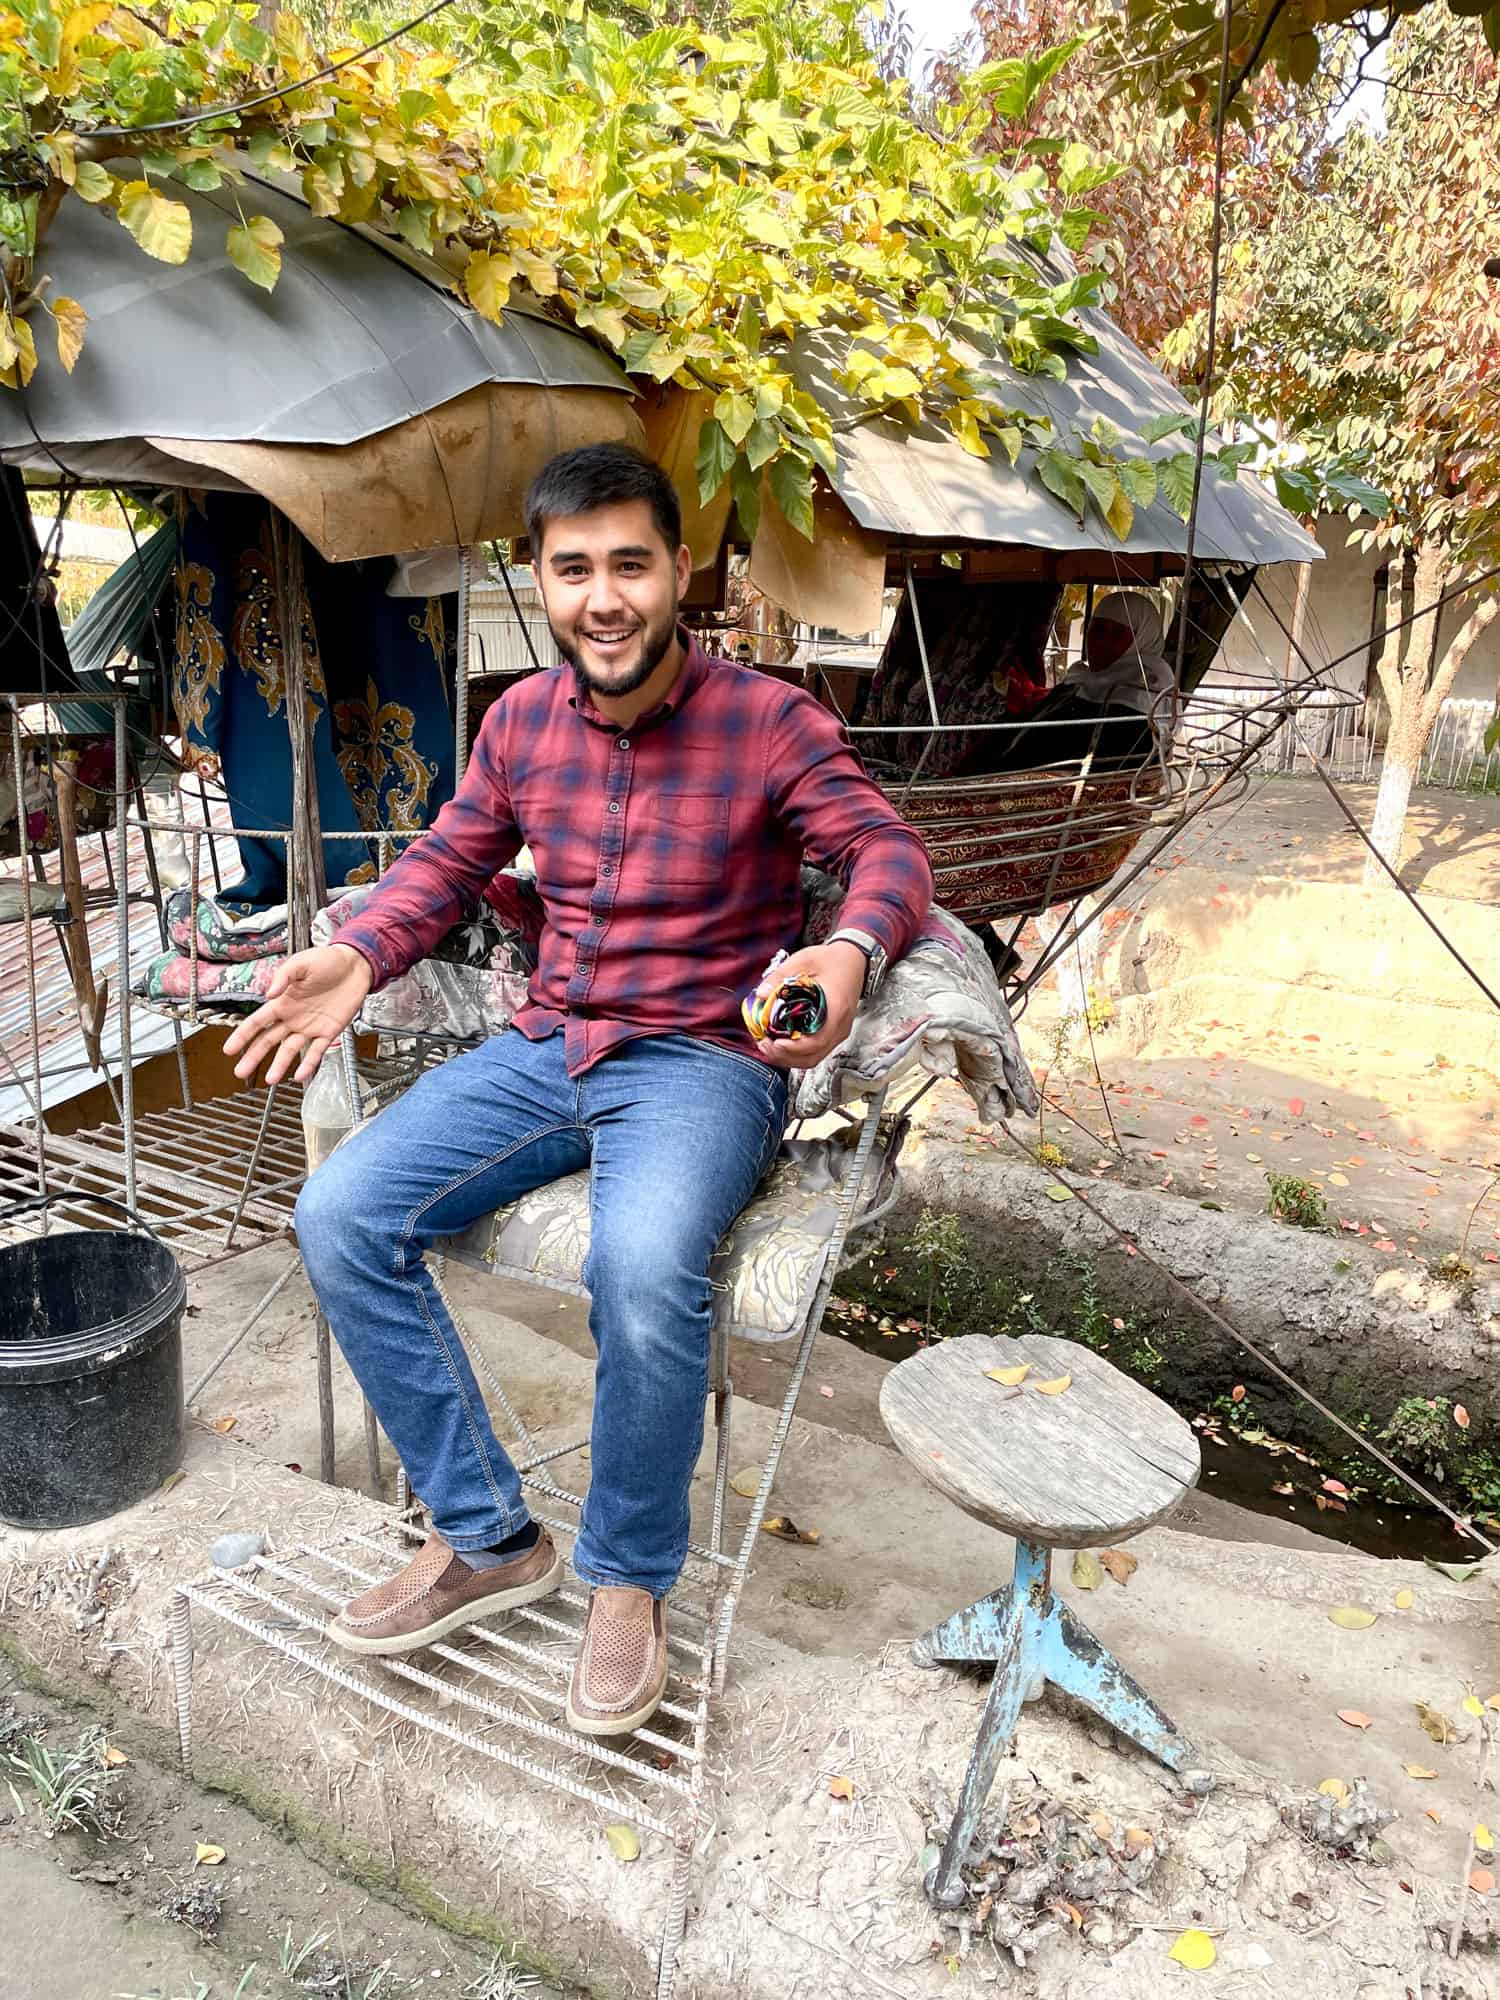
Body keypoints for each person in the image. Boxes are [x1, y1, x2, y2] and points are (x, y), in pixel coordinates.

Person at [223, 443, 933, 1739]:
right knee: (340, 1214)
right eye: (573, 569)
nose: (603, 596)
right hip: (552, 1046)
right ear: (540, 581)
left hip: (704, 1063)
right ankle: (490, 1534)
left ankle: (625, 1578)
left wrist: (847, 947)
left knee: (643, 1263)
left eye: (629, 563)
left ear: (676, 573)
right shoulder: (520, 727)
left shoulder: (768, 724)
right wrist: (361, 948)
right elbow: (447, 863)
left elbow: (883, 849)